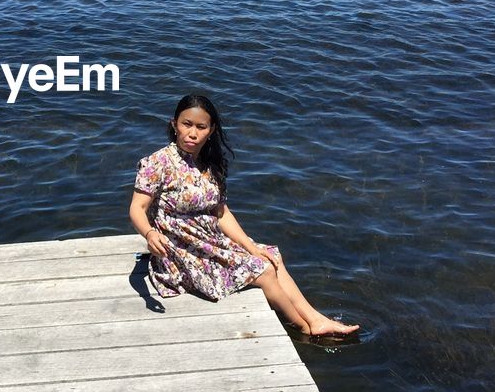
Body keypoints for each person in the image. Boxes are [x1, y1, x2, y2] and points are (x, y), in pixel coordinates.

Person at [129, 94, 359, 337]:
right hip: (179, 250)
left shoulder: (210, 164)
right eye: (186, 124)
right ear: (174, 124)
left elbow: (221, 212)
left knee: (270, 258)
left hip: (208, 241)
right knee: (263, 272)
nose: (192, 133)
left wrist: (249, 245)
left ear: (211, 130)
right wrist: (149, 233)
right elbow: (137, 208)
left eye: (201, 127)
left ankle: (315, 318)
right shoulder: (158, 163)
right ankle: (305, 330)